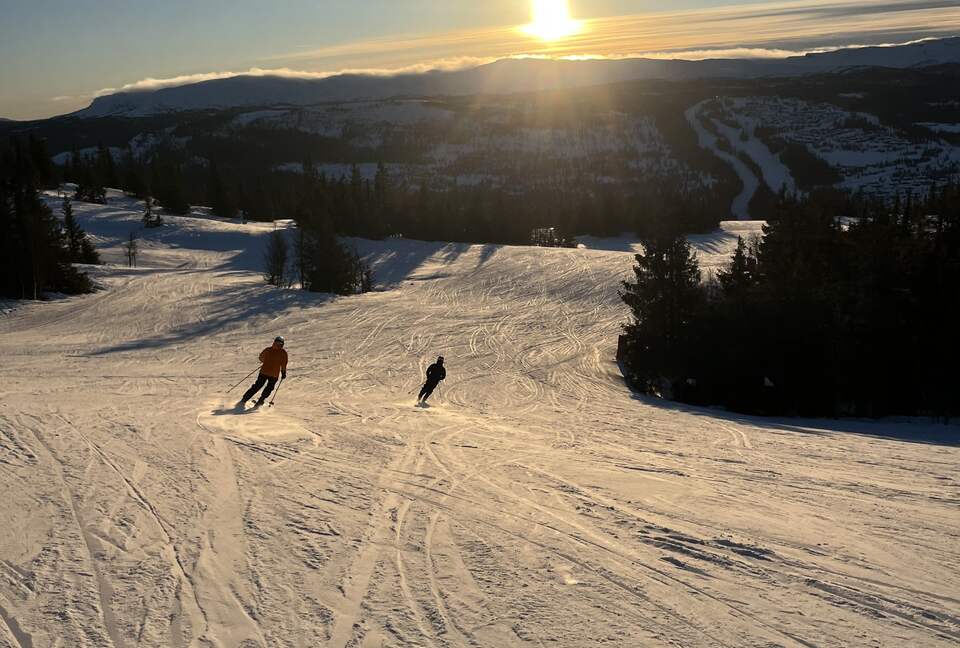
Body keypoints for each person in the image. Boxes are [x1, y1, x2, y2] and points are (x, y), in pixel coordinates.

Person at [239, 336, 288, 407]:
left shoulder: (268, 349)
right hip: (274, 374)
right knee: (269, 388)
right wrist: (283, 372)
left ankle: (245, 399)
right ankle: (261, 400)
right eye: (277, 343)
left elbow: (261, 358)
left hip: (264, 371)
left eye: (279, 343)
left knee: (258, 385)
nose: (277, 345)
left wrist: (266, 361)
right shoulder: (283, 353)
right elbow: (284, 364)